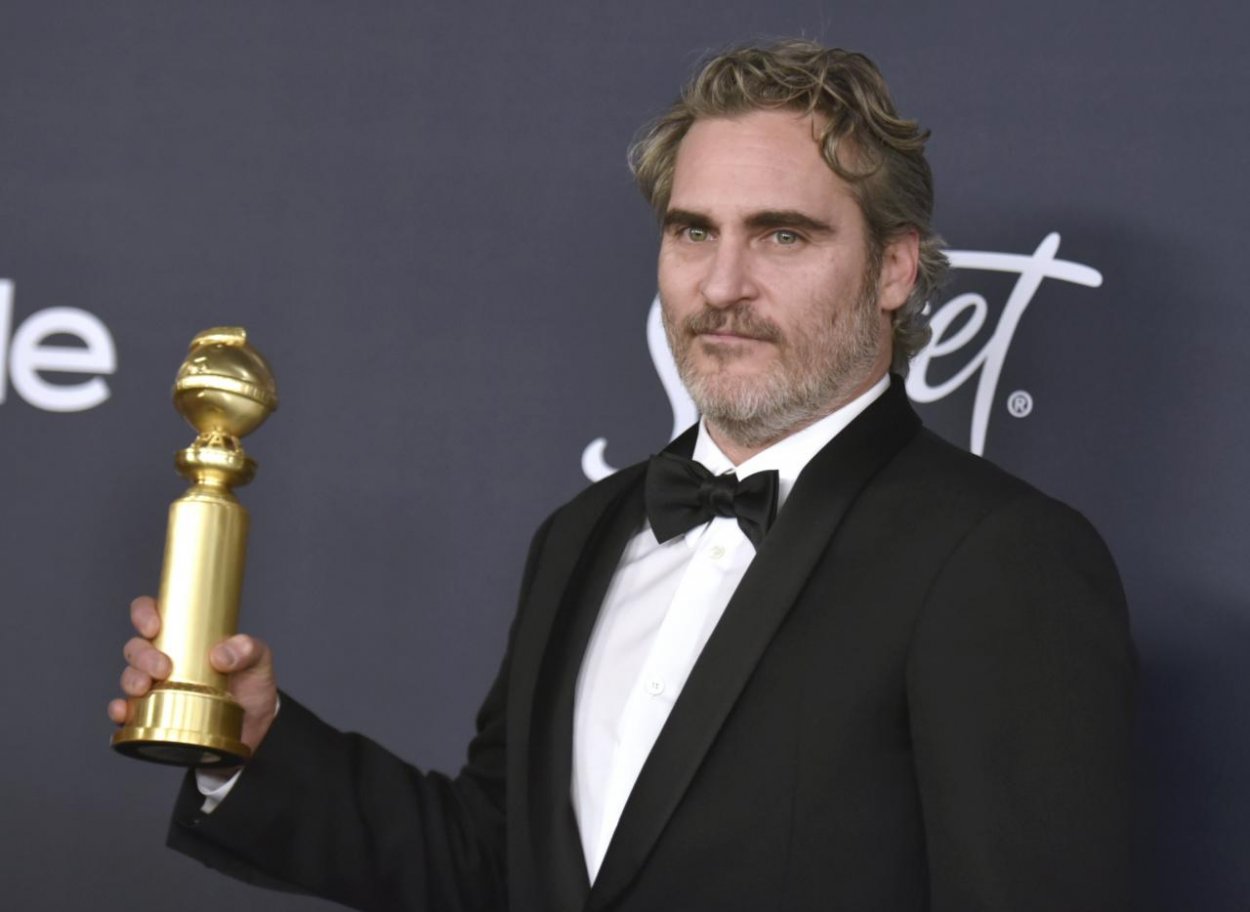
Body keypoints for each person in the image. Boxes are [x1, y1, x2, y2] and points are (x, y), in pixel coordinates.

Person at [111, 39, 1135, 911]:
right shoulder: (585, 533)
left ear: (895, 269)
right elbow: (494, 861)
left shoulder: (998, 558)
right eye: (693, 232)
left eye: (782, 235)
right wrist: (251, 742)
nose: (722, 285)